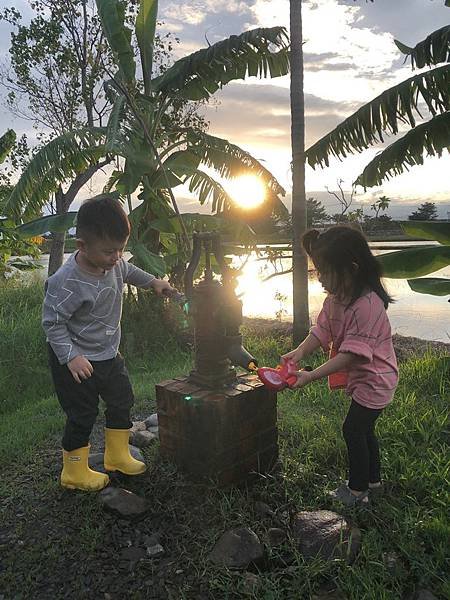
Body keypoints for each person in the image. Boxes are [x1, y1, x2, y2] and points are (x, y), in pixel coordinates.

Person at [42, 195, 175, 492]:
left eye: (120, 249)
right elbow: (52, 323)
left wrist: (154, 282)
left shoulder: (114, 264)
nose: (116, 257)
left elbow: (129, 271)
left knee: (121, 399)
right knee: (82, 413)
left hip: (107, 353)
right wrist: (71, 356)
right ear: (82, 246)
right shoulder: (66, 281)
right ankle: (73, 471)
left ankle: (116, 454)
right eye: (108, 251)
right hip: (75, 361)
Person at [282, 226, 398, 506]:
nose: (320, 278)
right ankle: (373, 481)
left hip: (377, 380)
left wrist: (310, 376)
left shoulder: (367, 305)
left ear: (351, 269)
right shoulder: (335, 300)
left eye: (325, 271)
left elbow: (352, 355)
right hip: (365, 378)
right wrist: (300, 351)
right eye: (317, 270)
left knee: (353, 429)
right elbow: (322, 330)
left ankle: (357, 491)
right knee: (364, 429)